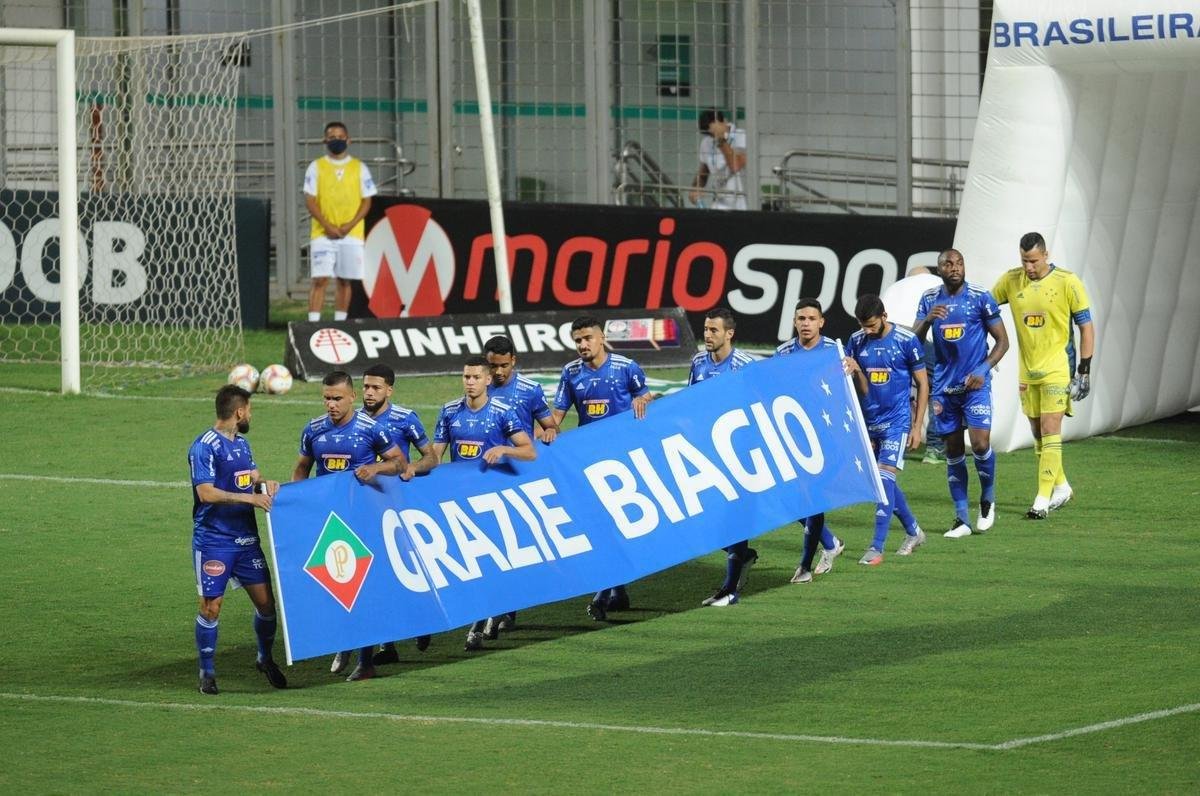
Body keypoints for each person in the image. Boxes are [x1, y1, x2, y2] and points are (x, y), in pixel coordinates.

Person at [292, 370, 407, 682]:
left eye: (337, 398)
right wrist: (301, 501)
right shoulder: (313, 430)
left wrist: (376, 467)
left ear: (352, 397)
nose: (331, 404)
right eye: (327, 398)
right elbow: (301, 469)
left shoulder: (371, 429)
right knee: (332, 585)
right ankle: (345, 641)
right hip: (329, 521)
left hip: (363, 518)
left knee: (363, 588)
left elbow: (399, 462)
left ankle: (365, 660)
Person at [432, 355, 537, 651]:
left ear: (488, 380)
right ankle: (491, 612)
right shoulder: (450, 412)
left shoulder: (503, 411)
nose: (469, 382)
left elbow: (529, 451)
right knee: (471, 566)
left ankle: (478, 626)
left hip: (492, 501)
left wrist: (503, 448)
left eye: (475, 377)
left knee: (490, 564)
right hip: (458, 502)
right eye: (466, 377)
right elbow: (436, 456)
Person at [550, 315, 652, 621]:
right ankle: (617, 590)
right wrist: (545, 433)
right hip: (588, 463)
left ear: (601, 337)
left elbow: (645, 395)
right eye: (578, 340)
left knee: (613, 526)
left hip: (622, 462)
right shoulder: (570, 373)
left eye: (587, 338)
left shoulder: (625, 367)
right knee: (601, 527)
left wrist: (644, 399)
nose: (583, 345)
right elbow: (556, 414)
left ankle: (601, 594)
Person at [188, 385, 286, 695]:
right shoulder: (204, 447)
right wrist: (249, 500)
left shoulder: (242, 445)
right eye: (250, 410)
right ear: (239, 411)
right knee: (211, 608)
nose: (250, 415)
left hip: (246, 541)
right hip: (214, 541)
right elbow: (206, 494)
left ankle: (264, 658)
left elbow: (253, 478)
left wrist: (265, 483)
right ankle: (207, 672)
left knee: (267, 606)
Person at [991, 232, 1094, 519]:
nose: (1029, 267)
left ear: (1046, 255)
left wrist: (1084, 369)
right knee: (1038, 433)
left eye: (1034, 261)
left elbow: (1086, 327)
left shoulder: (1068, 282)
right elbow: (984, 309)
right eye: (1025, 261)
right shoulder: (1011, 281)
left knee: (1050, 429)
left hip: (1057, 368)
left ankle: (1041, 499)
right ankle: (1061, 486)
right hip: (1028, 371)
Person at [914, 249, 1010, 537]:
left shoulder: (981, 297)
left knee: (980, 445)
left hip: (974, 386)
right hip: (944, 388)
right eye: (948, 264)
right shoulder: (930, 299)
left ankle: (987, 500)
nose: (955, 268)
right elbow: (913, 342)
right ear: (940, 269)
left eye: (959, 263)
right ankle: (961, 519)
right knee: (953, 451)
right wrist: (927, 320)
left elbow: (1003, 342)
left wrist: (984, 369)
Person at [358, 363, 440, 665]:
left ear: (389, 390)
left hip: (399, 507)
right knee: (377, 574)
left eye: (376, 387)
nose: (369, 393)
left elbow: (431, 457)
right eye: (366, 387)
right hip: (367, 508)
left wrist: (411, 469)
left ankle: (424, 618)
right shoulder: (354, 422)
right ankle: (386, 645)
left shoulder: (405, 418)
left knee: (408, 567)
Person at [483, 335, 560, 632]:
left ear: (513, 360)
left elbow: (549, 425)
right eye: (493, 366)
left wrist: (550, 432)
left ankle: (506, 609)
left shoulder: (529, 390)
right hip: (486, 477)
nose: (498, 372)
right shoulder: (480, 387)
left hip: (517, 477)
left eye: (503, 365)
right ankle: (500, 608)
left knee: (513, 546)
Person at [844, 295, 929, 565]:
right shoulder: (856, 342)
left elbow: (923, 384)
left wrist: (917, 426)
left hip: (897, 421)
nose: (867, 331)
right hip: (869, 422)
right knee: (885, 483)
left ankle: (876, 547)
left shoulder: (907, 340)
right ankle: (914, 531)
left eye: (871, 325)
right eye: (863, 325)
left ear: (884, 315)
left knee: (883, 481)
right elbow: (860, 387)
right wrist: (856, 371)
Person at [687, 308, 759, 606]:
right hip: (705, 455)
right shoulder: (698, 363)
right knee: (700, 522)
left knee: (733, 520)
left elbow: (759, 407)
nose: (707, 335)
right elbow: (690, 403)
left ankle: (730, 590)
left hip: (738, 455)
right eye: (705, 329)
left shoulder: (744, 366)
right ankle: (743, 555)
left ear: (729, 333)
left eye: (714, 330)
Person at [774, 299, 848, 583]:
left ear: (821, 322)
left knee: (812, 498)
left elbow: (850, 390)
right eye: (801, 318)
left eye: (810, 318)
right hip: (790, 435)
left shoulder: (834, 351)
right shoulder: (782, 353)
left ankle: (804, 567)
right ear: (795, 322)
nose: (805, 323)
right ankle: (829, 543)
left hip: (825, 437)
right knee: (788, 500)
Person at [304, 121, 377, 322]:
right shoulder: (316, 167)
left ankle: (341, 323)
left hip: (351, 234)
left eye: (340, 137)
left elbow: (367, 201)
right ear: (325, 140)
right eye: (332, 137)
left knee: (345, 281)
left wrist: (349, 225)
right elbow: (310, 200)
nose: (336, 140)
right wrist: (327, 225)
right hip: (323, 234)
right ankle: (313, 324)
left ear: (348, 140)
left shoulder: (359, 168)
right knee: (320, 279)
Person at [688, 108, 747, 210]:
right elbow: (703, 174)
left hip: (742, 205)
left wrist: (721, 139)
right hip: (719, 204)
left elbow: (735, 166)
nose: (712, 136)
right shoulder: (707, 142)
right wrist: (696, 188)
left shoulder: (741, 136)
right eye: (709, 133)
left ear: (724, 121)